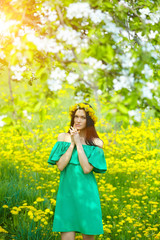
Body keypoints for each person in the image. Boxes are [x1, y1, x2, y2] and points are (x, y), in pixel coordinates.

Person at [48, 102, 107, 240]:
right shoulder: (63, 137)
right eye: (76, 116)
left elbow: (86, 168)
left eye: (83, 117)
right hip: (67, 195)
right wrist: (72, 143)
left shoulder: (97, 142)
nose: (78, 120)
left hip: (87, 196)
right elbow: (60, 166)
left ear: (89, 120)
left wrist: (79, 143)